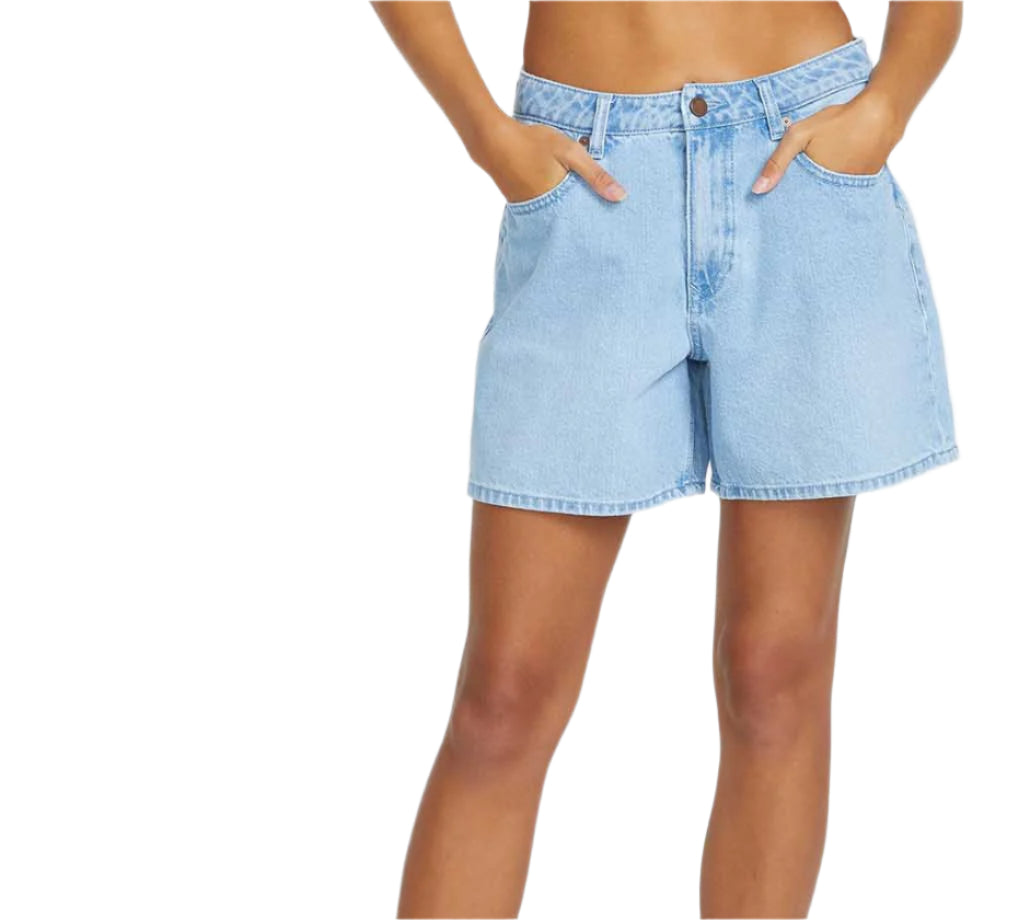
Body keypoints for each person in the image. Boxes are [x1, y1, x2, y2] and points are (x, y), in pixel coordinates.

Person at [372, 2, 962, 916]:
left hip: (798, 167)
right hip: (592, 177)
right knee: (504, 696)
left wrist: (887, 105)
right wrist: (487, 133)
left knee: (773, 671)